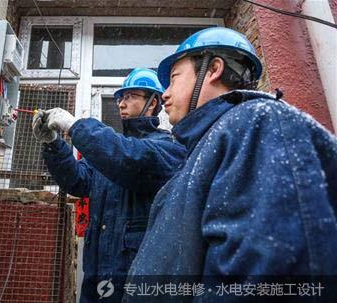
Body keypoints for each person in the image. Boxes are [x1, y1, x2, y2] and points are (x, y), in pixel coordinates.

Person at [125, 27, 337, 301]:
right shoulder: (206, 149)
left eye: (174, 78)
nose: (165, 94)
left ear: (213, 69)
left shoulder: (258, 125)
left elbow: (261, 277)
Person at [31, 68, 187, 302]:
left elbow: (129, 158)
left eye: (131, 96)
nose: (122, 104)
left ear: (153, 102)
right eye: (120, 98)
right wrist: (53, 144)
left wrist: (76, 125)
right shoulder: (111, 150)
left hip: (136, 276)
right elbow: (79, 181)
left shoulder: (168, 147)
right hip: (98, 273)